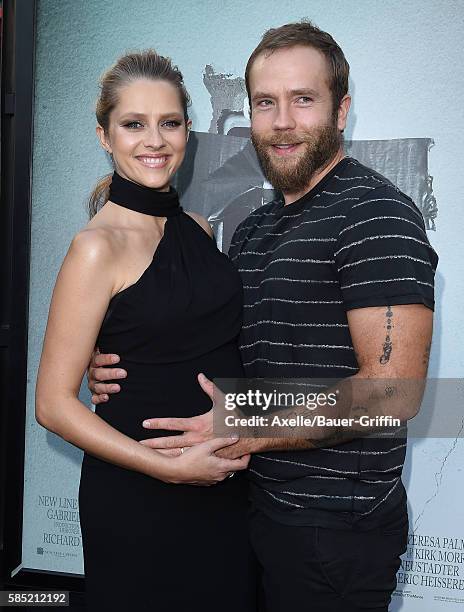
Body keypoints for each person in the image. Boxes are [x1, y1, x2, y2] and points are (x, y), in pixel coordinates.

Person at [89, 23, 438, 612]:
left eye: (303, 100)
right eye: (264, 103)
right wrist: (115, 361)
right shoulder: (255, 230)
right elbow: (212, 342)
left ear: (342, 109)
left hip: (333, 534)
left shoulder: (376, 215)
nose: (281, 122)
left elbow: (392, 392)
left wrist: (242, 424)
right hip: (246, 510)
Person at [35, 50, 258, 612]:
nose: (154, 140)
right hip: (141, 497)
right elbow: (53, 406)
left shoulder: (199, 230)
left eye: (170, 122)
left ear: (188, 130)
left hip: (227, 490)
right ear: (105, 136)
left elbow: (192, 341)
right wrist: (172, 470)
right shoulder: (95, 248)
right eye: (134, 124)